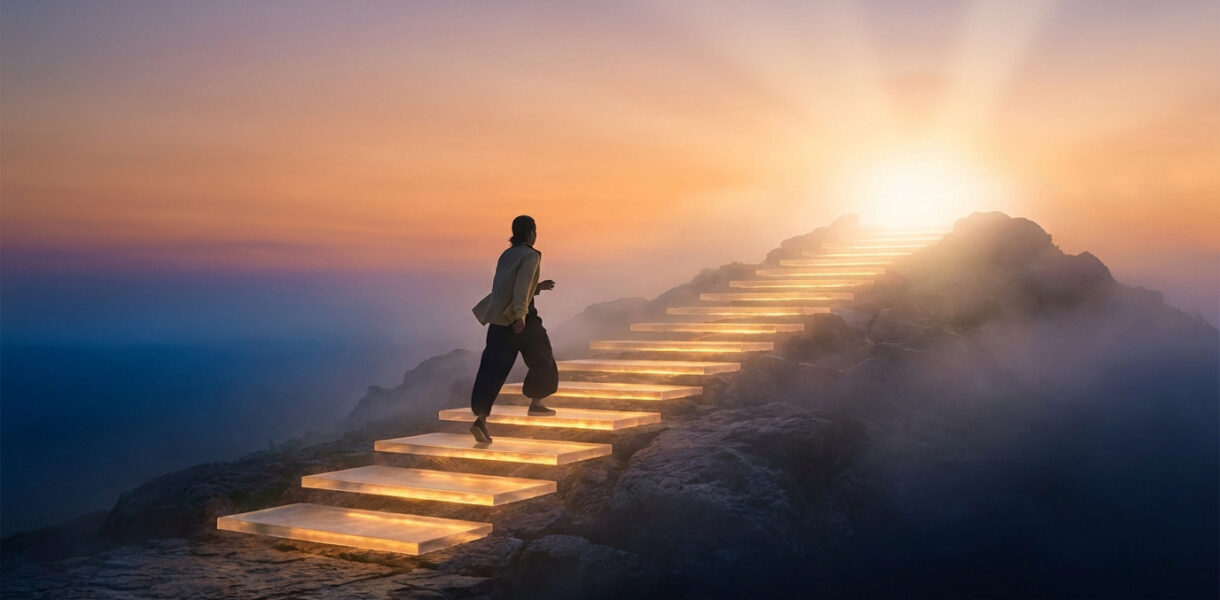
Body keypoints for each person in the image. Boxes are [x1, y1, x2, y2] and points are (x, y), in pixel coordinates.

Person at [468, 215, 559, 443]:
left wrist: (536, 287)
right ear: (531, 234)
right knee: (543, 357)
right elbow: (519, 288)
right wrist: (520, 316)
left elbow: (506, 286)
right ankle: (536, 403)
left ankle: (480, 419)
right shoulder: (531, 255)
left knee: (491, 370)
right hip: (521, 318)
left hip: (498, 321)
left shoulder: (507, 254)